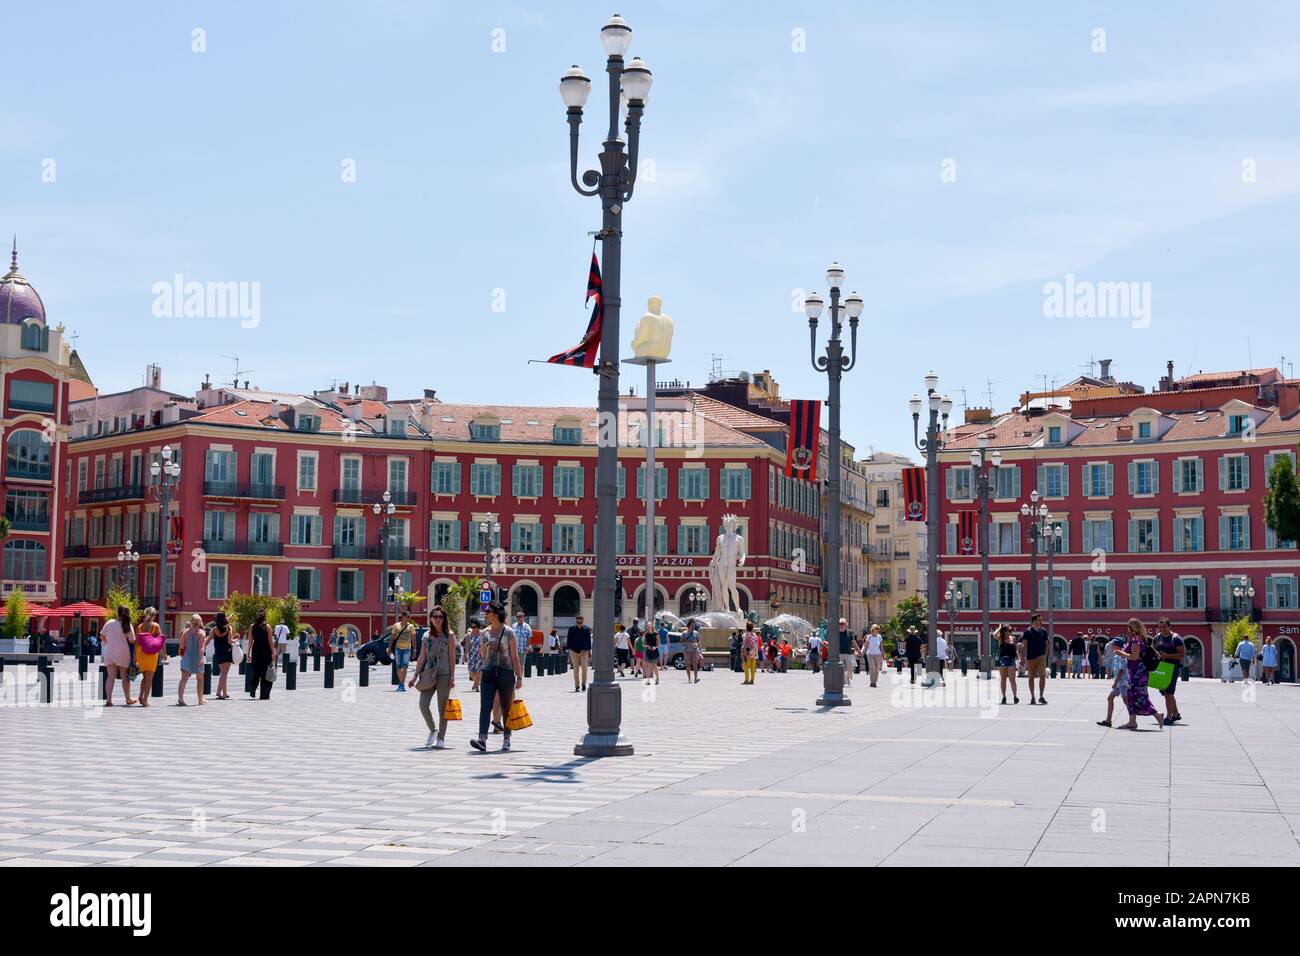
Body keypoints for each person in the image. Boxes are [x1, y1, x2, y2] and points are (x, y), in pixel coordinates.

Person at [470, 601, 523, 753]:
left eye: (488, 612)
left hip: (506, 673)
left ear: (496, 614)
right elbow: (483, 655)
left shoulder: (509, 632)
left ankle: (506, 738)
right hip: (488, 673)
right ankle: (482, 739)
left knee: (506, 708)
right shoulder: (484, 633)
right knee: (485, 707)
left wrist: (519, 677)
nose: (486, 614)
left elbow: (514, 656)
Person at [411, 608, 457, 749]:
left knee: (442, 708)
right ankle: (433, 730)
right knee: (423, 704)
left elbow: (452, 657)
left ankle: (441, 738)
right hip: (428, 674)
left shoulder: (449, 635)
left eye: (440, 617)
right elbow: (422, 656)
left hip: (444, 674)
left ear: (444, 619)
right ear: (430, 618)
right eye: (435, 616)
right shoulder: (426, 635)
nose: (437, 619)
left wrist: (452, 676)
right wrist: (415, 676)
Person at [1115, 618, 1165, 731]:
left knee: (1140, 697)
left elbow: (1134, 657)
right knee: (1131, 696)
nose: (1128, 630)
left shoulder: (1136, 641)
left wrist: (1121, 653)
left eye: (1129, 628)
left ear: (1132, 628)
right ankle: (1132, 721)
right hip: (1136, 673)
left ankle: (1157, 715)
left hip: (1138, 673)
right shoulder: (1139, 639)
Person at [101, 605, 137, 707]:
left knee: (110, 677)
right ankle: (128, 699)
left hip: (109, 651)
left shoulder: (110, 623)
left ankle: (109, 700)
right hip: (123, 652)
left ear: (117, 613)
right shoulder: (127, 624)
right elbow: (132, 640)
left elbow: (102, 636)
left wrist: (108, 642)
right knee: (124, 676)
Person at [1154, 617, 1184, 725]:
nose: (1162, 629)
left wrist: (1168, 656)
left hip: (1173, 668)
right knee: (1166, 693)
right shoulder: (1157, 637)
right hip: (1161, 667)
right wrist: (1156, 654)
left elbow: (1181, 654)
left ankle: (1169, 717)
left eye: (1164, 627)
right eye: (1160, 627)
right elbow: (1153, 649)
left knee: (1169, 692)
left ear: (1169, 626)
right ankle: (1176, 714)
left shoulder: (1176, 638)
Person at [134, 607, 165, 708]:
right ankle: (145, 700)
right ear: (154, 615)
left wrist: (135, 657)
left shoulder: (140, 627)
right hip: (151, 654)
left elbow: (136, 643)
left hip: (141, 653)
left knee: (145, 677)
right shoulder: (155, 626)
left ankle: (140, 696)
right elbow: (161, 640)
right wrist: (164, 654)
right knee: (149, 678)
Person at [1097, 637, 1129, 728]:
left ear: (1117, 646)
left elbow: (1121, 670)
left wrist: (1115, 682)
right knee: (1110, 698)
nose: (1111, 646)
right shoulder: (1116, 655)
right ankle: (1108, 720)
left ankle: (1132, 719)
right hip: (1119, 683)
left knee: (1126, 701)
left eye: (1113, 645)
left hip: (1123, 683)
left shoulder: (1121, 656)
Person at [176, 614, 207, 706]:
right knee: (200, 680)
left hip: (186, 657)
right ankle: (200, 700)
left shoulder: (185, 632)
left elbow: (181, 646)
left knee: (183, 679)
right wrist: (201, 658)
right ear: (200, 622)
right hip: (197, 658)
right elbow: (201, 647)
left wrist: (181, 654)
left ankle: (180, 698)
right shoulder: (201, 633)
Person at [1022, 613, 1049, 705]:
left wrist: (1045, 655)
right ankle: (1033, 697)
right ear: (1034, 621)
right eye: (1039, 620)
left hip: (1041, 657)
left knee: (1042, 676)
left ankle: (1041, 696)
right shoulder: (1027, 631)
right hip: (1030, 657)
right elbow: (1024, 645)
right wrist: (1022, 657)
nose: (1041, 621)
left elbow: (1046, 644)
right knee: (1031, 677)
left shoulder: (1044, 631)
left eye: (1041, 619)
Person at [248, 610, 276, 699]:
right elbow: (270, 642)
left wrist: (248, 652)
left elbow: (250, 641)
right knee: (265, 673)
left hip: (256, 651)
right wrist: (273, 653)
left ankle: (253, 688)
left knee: (256, 672)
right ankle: (264, 694)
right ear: (265, 617)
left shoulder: (252, 626)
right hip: (266, 651)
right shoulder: (268, 627)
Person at [388, 609, 418, 692]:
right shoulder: (396, 625)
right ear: (402, 617)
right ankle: (401, 683)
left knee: (405, 666)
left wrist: (415, 649)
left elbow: (413, 639)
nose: (407, 618)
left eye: (408, 617)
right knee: (398, 666)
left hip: (407, 648)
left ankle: (401, 684)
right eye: (405, 616)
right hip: (398, 648)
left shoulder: (411, 626)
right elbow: (392, 637)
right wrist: (389, 648)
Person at [209, 611, 234, 700]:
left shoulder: (214, 629)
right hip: (227, 652)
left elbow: (208, 639)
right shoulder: (229, 628)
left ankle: (225, 693)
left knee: (223, 673)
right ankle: (219, 692)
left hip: (218, 653)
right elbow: (229, 641)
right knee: (224, 673)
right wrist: (236, 639)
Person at [567, 614, 592, 692]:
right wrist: (570, 650)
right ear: (576, 621)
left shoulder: (586, 629)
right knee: (576, 669)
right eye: (578, 622)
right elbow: (568, 640)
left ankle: (584, 684)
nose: (579, 624)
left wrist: (589, 651)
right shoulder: (571, 629)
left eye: (580, 622)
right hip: (573, 651)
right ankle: (577, 686)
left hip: (584, 651)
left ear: (583, 622)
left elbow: (588, 641)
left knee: (585, 668)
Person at [994, 624, 1019, 704]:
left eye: (1011, 630)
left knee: (1012, 679)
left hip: (1012, 659)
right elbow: (994, 635)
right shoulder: (1001, 638)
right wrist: (999, 628)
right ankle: (1004, 697)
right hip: (1003, 659)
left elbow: (1015, 649)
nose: (1011, 632)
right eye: (1009, 630)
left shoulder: (1013, 638)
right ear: (1004, 631)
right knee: (1003, 679)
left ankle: (1015, 696)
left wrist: (1018, 658)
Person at [682, 618, 703, 684]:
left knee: (695, 664)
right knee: (687, 664)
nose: (694, 626)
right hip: (687, 651)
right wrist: (689, 643)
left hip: (694, 650)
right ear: (689, 625)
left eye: (694, 625)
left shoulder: (696, 633)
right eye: (692, 625)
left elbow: (698, 641)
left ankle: (695, 678)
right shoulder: (684, 633)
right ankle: (689, 679)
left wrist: (699, 649)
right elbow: (681, 641)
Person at [834, 618, 855, 686]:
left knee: (850, 667)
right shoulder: (836, 632)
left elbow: (853, 642)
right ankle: (844, 680)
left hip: (848, 652)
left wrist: (859, 650)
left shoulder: (850, 632)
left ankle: (847, 677)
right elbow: (833, 642)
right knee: (841, 668)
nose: (842, 625)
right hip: (839, 652)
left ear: (846, 624)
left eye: (843, 624)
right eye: (840, 624)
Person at [465, 619, 483, 692]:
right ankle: (476, 682)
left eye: (475, 627)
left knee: (478, 671)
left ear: (478, 626)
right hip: (472, 655)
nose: (473, 628)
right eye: (472, 627)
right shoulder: (469, 635)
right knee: (471, 671)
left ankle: (477, 687)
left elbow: (485, 644)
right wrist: (465, 655)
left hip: (480, 655)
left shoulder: (482, 633)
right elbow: (467, 646)